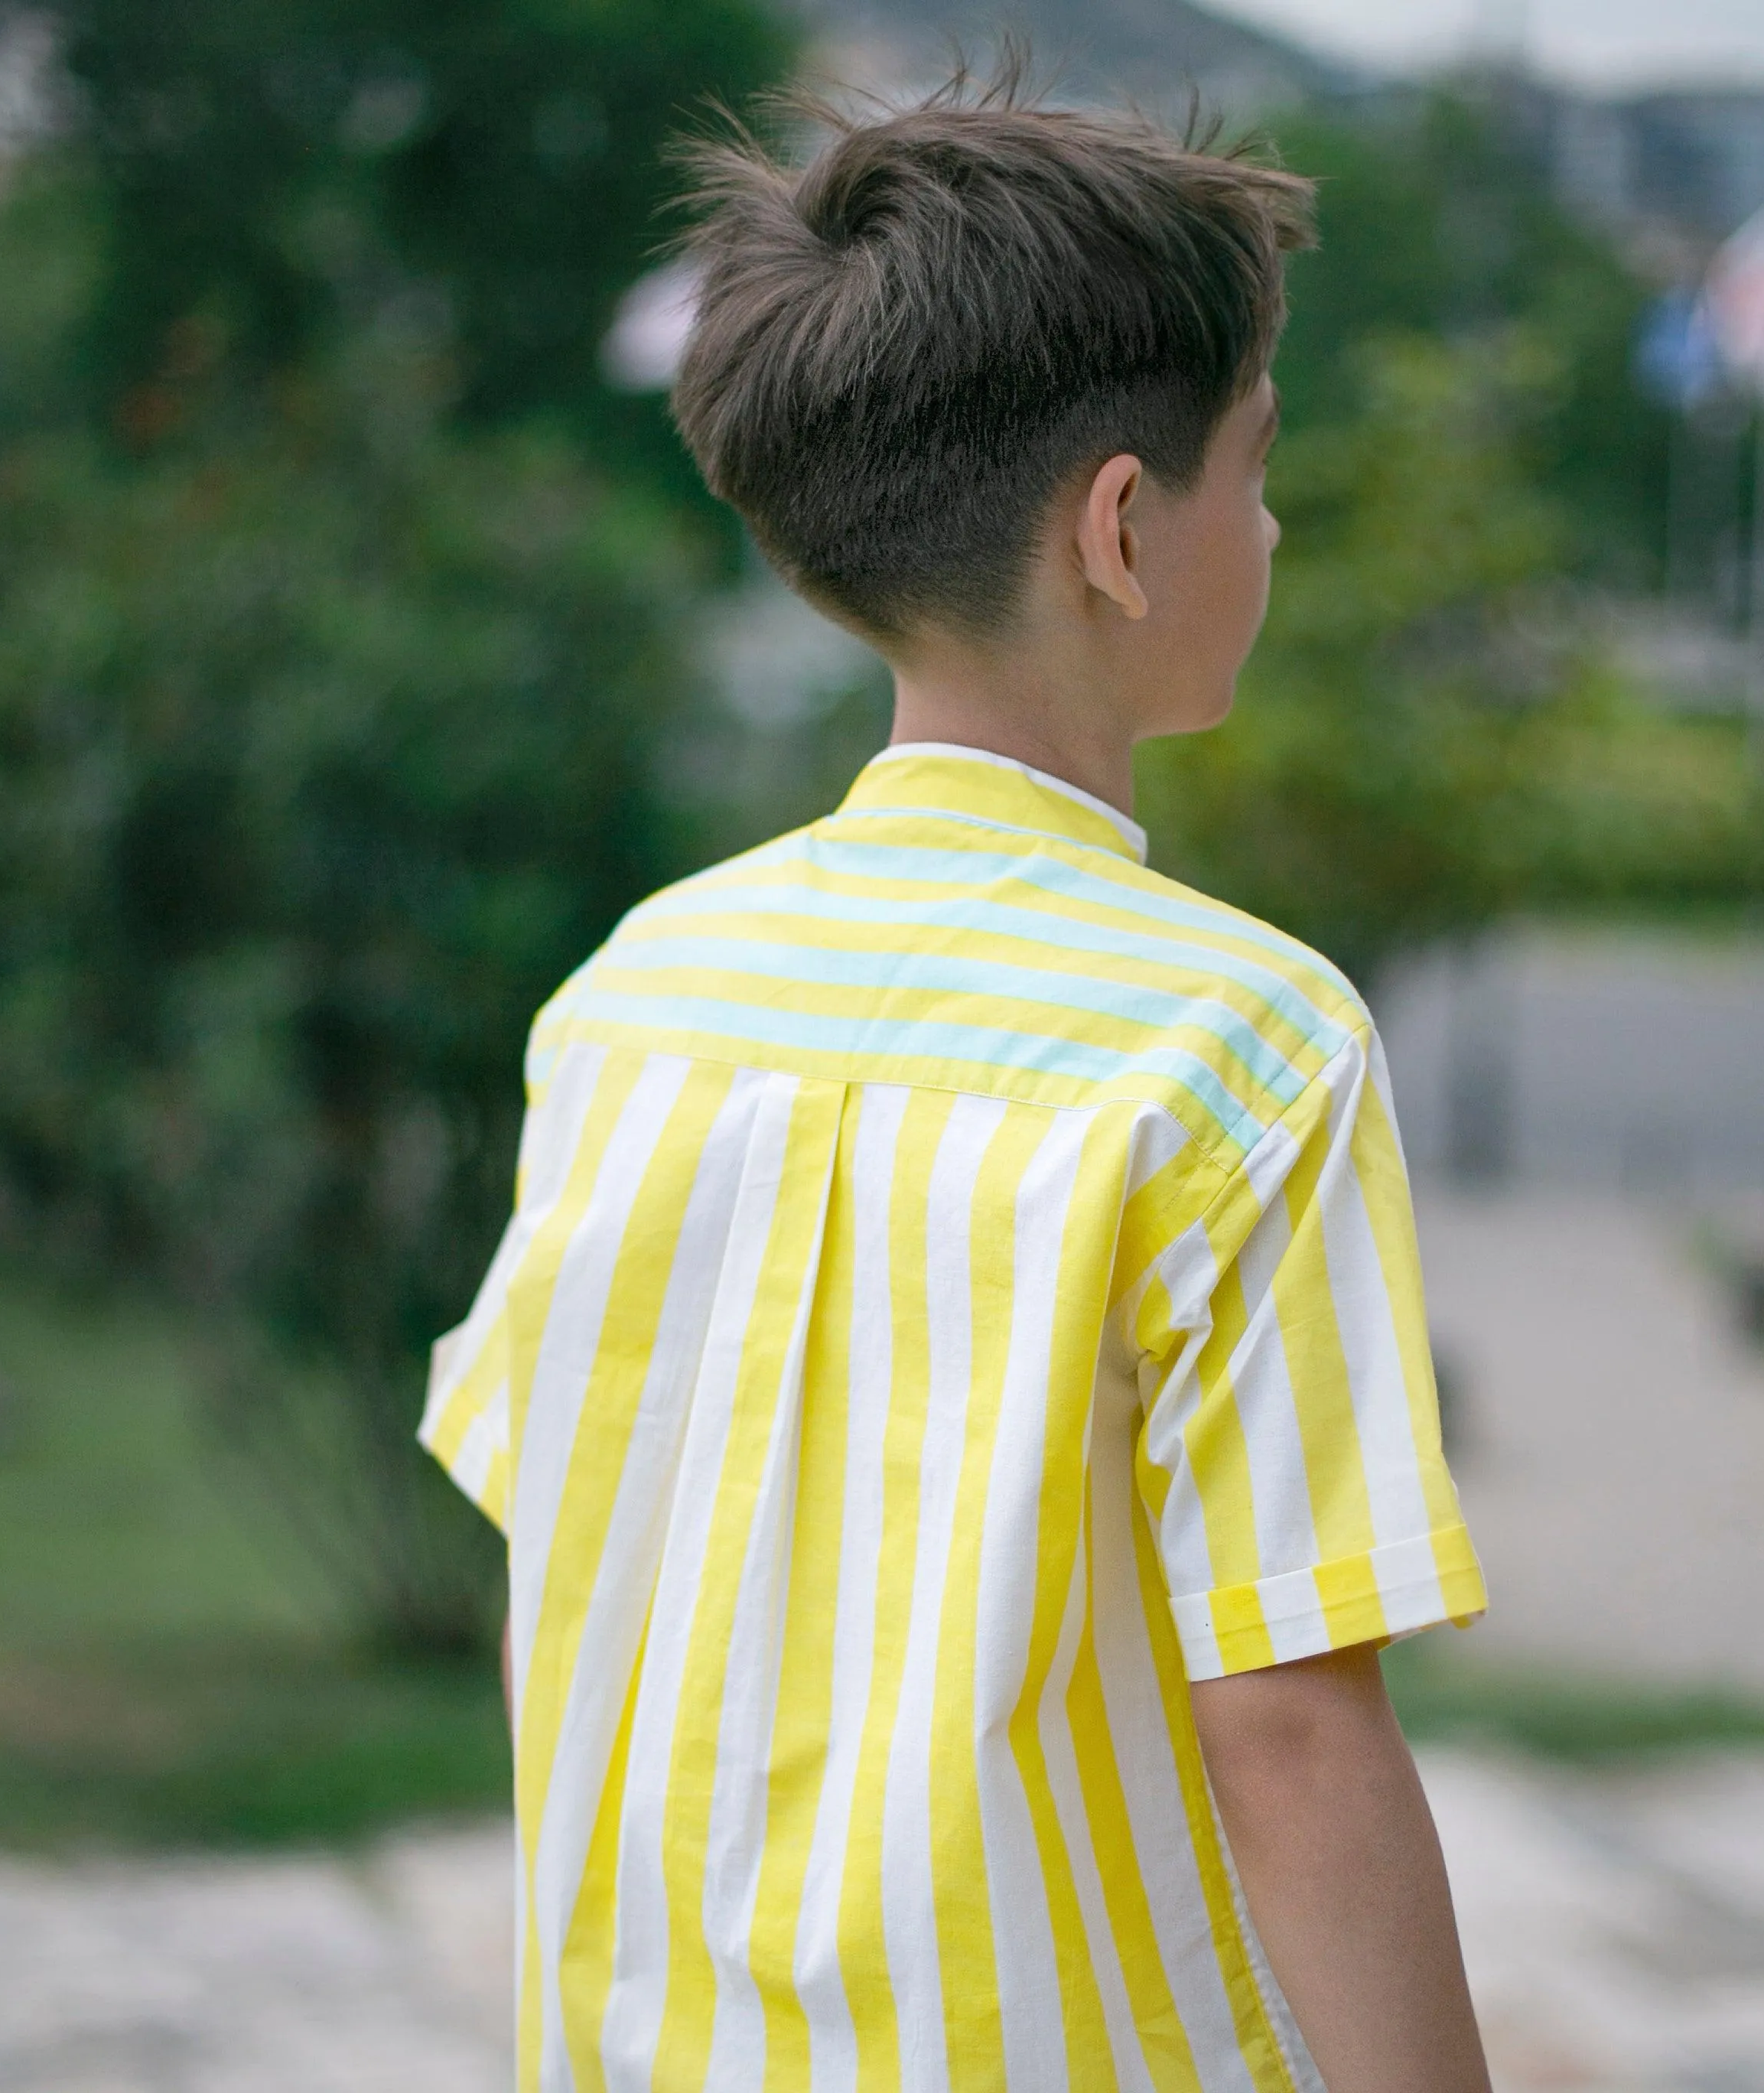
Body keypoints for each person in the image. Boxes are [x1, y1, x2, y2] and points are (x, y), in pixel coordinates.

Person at [420, 67, 1490, 2093]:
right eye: (1253, 471)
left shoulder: (635, 1000)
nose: (1266, 524)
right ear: (1120, 528)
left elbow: (562, 1567)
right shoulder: (1237, 1048)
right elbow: (1289, 1724)